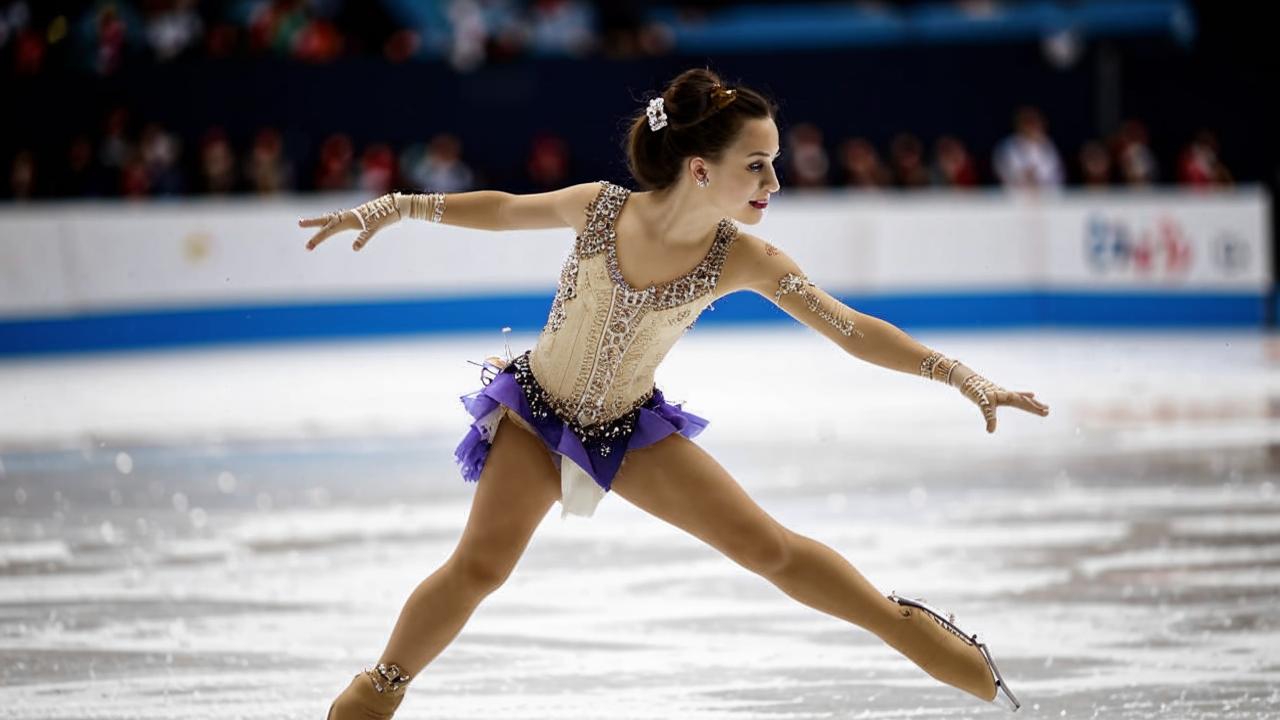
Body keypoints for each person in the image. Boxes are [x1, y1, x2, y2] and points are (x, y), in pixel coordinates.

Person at [298, 68, 1049, 719]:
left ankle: (904, 628)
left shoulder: (743, 258)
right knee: (480, 567)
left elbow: (849, 329)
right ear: (699, 168)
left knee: (768, 548)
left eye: (774, 165)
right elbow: (500, 209)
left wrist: (956, 373)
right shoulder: (599, 208)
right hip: (536, 416)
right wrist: (398, 204)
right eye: (757, 166)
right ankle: (375, 695)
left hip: (628, 431)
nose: (774, 184)